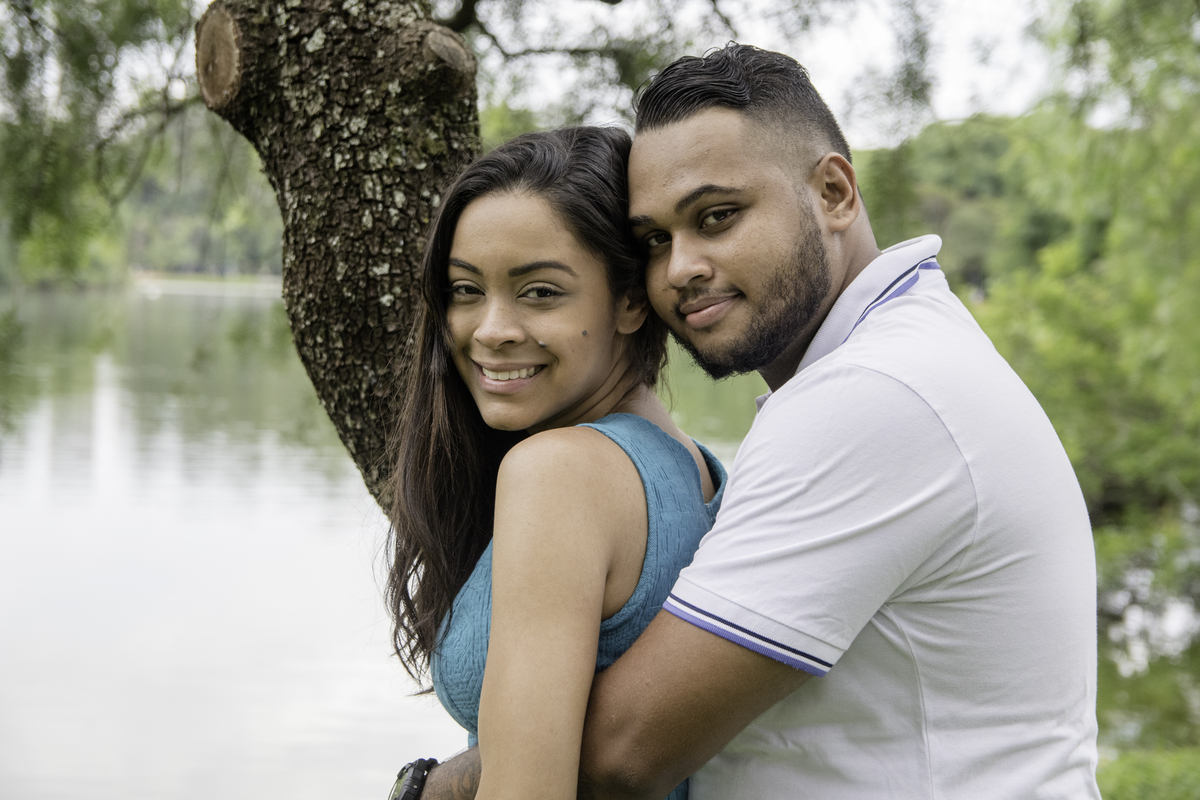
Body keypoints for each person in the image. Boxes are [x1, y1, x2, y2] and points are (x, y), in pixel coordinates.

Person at [420, 44, 1101, 800]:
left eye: (718, 216)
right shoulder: (877, 372)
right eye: (655, 240)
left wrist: (434, 787)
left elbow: (624, 750)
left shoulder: (875, 395)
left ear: (835, 192)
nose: (680, 268)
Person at [384, 127, 725, 800]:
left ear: (630, 301)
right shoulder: (695, 466)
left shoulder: (560, 474)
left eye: (539, 291)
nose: (491, 330)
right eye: (464, 290)